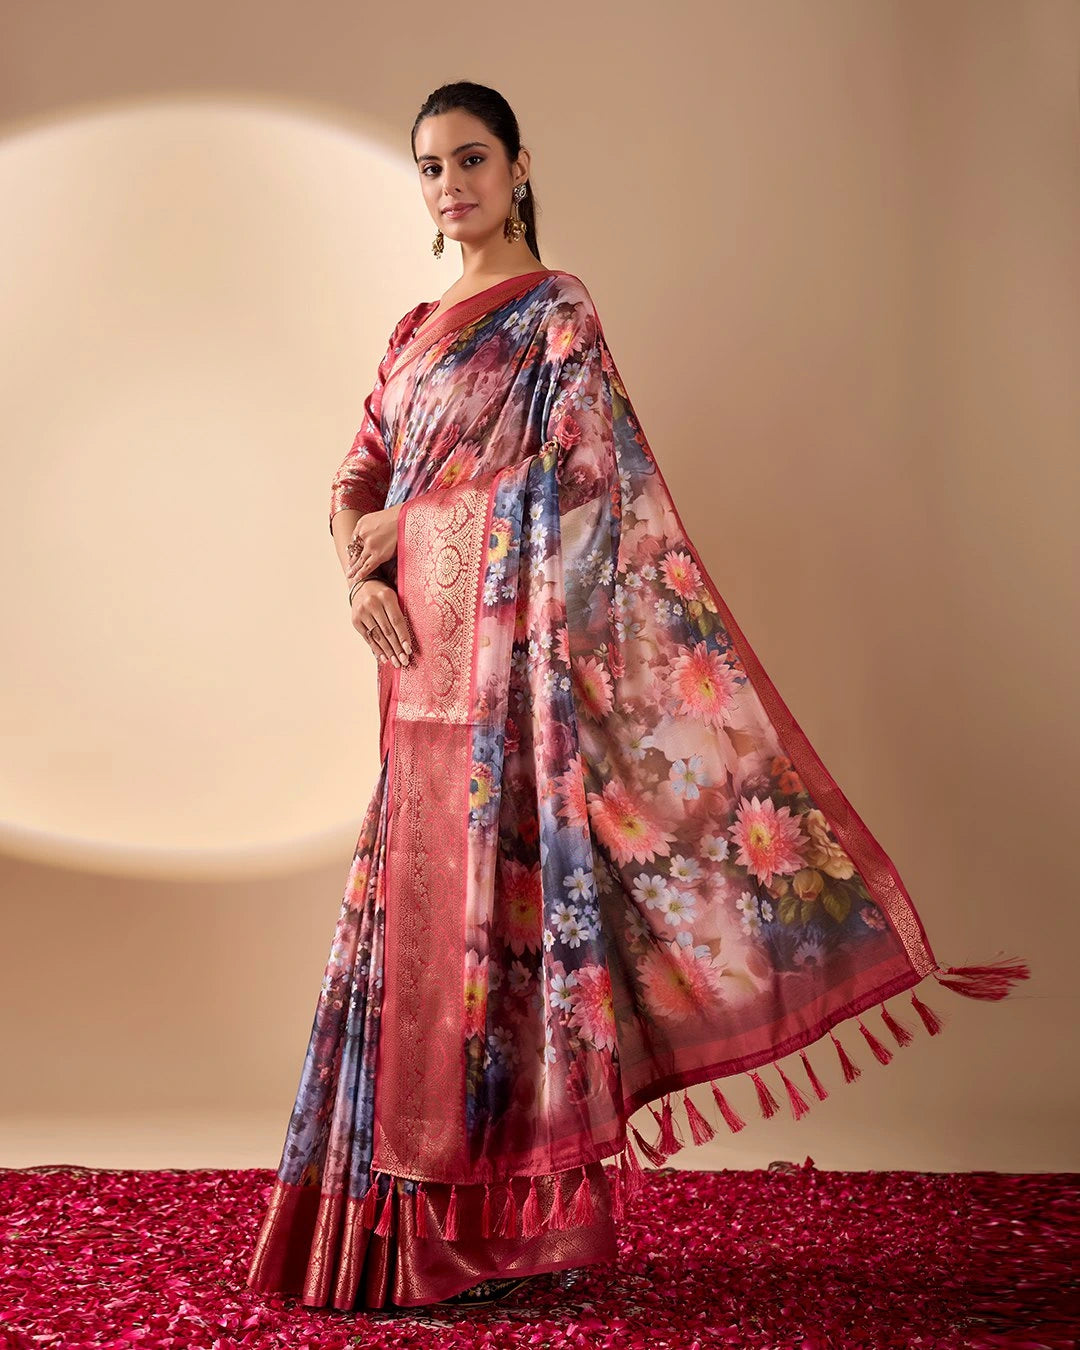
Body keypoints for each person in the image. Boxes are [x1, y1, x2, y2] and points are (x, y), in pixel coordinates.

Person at [245, 80, 1029, 1313]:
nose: (450, 185)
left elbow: (583, 478)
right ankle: (395, 1224)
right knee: (416, 928)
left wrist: (416, 523)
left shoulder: (556, 312)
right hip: (415, 671)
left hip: (506, 682)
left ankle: (490, 1236)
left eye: (471, 160)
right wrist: (359, 575)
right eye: (431, 167)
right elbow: (356, 475)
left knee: (493, 939)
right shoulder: (411, 331)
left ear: (518, 168)